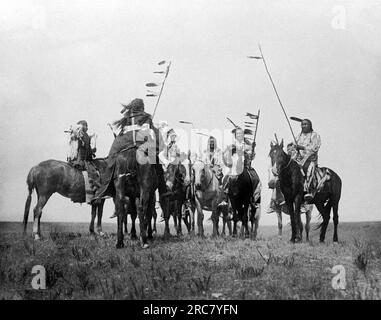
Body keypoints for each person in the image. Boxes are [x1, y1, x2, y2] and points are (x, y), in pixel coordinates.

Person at [290, 119, 321, 202]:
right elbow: (293, 145)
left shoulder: (315, 135)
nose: (303, 126)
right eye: (302, 124)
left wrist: (302, 147)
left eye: (305, 124)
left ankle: (308, 190)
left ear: (310, 125)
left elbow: (314, 148)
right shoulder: (299, 135)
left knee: (308, 170)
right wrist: (292, 146)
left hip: (310, 158)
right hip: (298, 158)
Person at [68, 120, 100, 192]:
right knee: (94, 173)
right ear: (84, 127)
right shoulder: (84, 136)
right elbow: (87, 151)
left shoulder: (76, 136)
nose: (87, 128)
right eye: (86, 126)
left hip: (73, 159)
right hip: (82, 160)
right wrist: (93, 150)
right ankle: (94, 189)